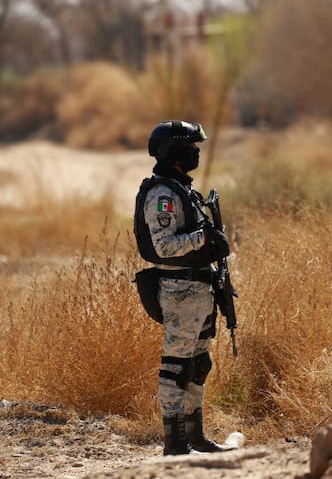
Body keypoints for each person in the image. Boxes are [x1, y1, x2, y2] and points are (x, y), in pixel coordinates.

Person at [133, 120, 232, 455]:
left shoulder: (182, 190)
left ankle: (196, 437)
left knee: (198, 364)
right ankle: (175, 444)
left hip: (200, 290)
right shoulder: (162, 195)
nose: (195, 152)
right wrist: (204, 238)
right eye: (190, 147)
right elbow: (164, 247)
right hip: (179, 291)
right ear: (174, 151)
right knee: (175, 369)